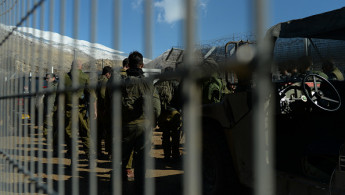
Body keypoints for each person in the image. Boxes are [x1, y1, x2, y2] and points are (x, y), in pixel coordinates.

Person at [107, 51, 160, 194]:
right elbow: (156, 107)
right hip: (143, 127)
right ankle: (140, 188)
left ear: (128, 65)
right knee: (141, 161)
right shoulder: (147, 83)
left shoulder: (120, 82)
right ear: (142, 65)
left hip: (123, 126)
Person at [55, 59, 97, 158]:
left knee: (70, 135)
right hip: (82, 111)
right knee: (85, 134)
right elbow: (92, 96)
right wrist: (95, 110)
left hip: (68, 111)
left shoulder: (64, 78)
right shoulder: (85, 77)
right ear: (80, 66)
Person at [155, 67, 182, 161]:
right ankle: (175, 155)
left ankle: (166, 155)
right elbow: (181, 99)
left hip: (162, 114)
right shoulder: (177, 84)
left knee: (165, 135)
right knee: (175, 135)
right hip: (174, 113)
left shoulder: (158, 84)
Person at [96, 66, 112, 159]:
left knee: (98, 132)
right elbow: (103, 94)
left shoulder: (97, 79)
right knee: (107, 131)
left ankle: (98, 151)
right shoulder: (105, 81)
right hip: (103, 110)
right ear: (107, 74)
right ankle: (109, 152)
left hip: (96, 109)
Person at [43, 73, 58, 138]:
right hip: (52, 108)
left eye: (48, 78)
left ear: (53, 78)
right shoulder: (52, 86)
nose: (46, 80)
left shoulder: (53, 87)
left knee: (47, 125)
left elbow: (51, 99)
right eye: (46, 78)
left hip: (51, 109)